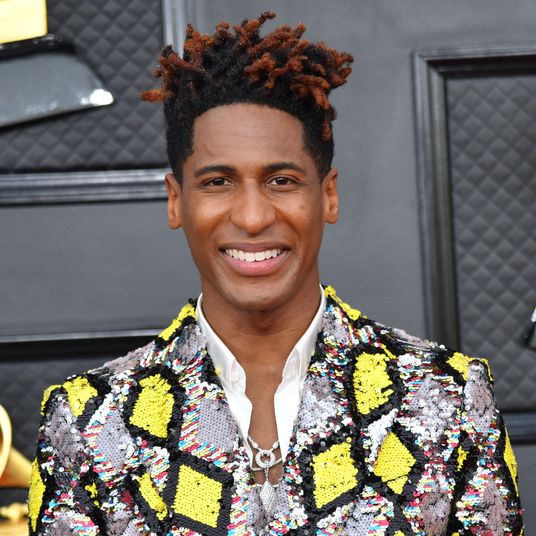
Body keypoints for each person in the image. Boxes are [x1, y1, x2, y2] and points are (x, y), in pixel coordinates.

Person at [28, 12, 523, 535]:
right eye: (218, 182)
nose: (252, 217)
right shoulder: (89, 420)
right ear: (176, 201)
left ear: (327, 195)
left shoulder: (447, 398)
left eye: (281, 180)